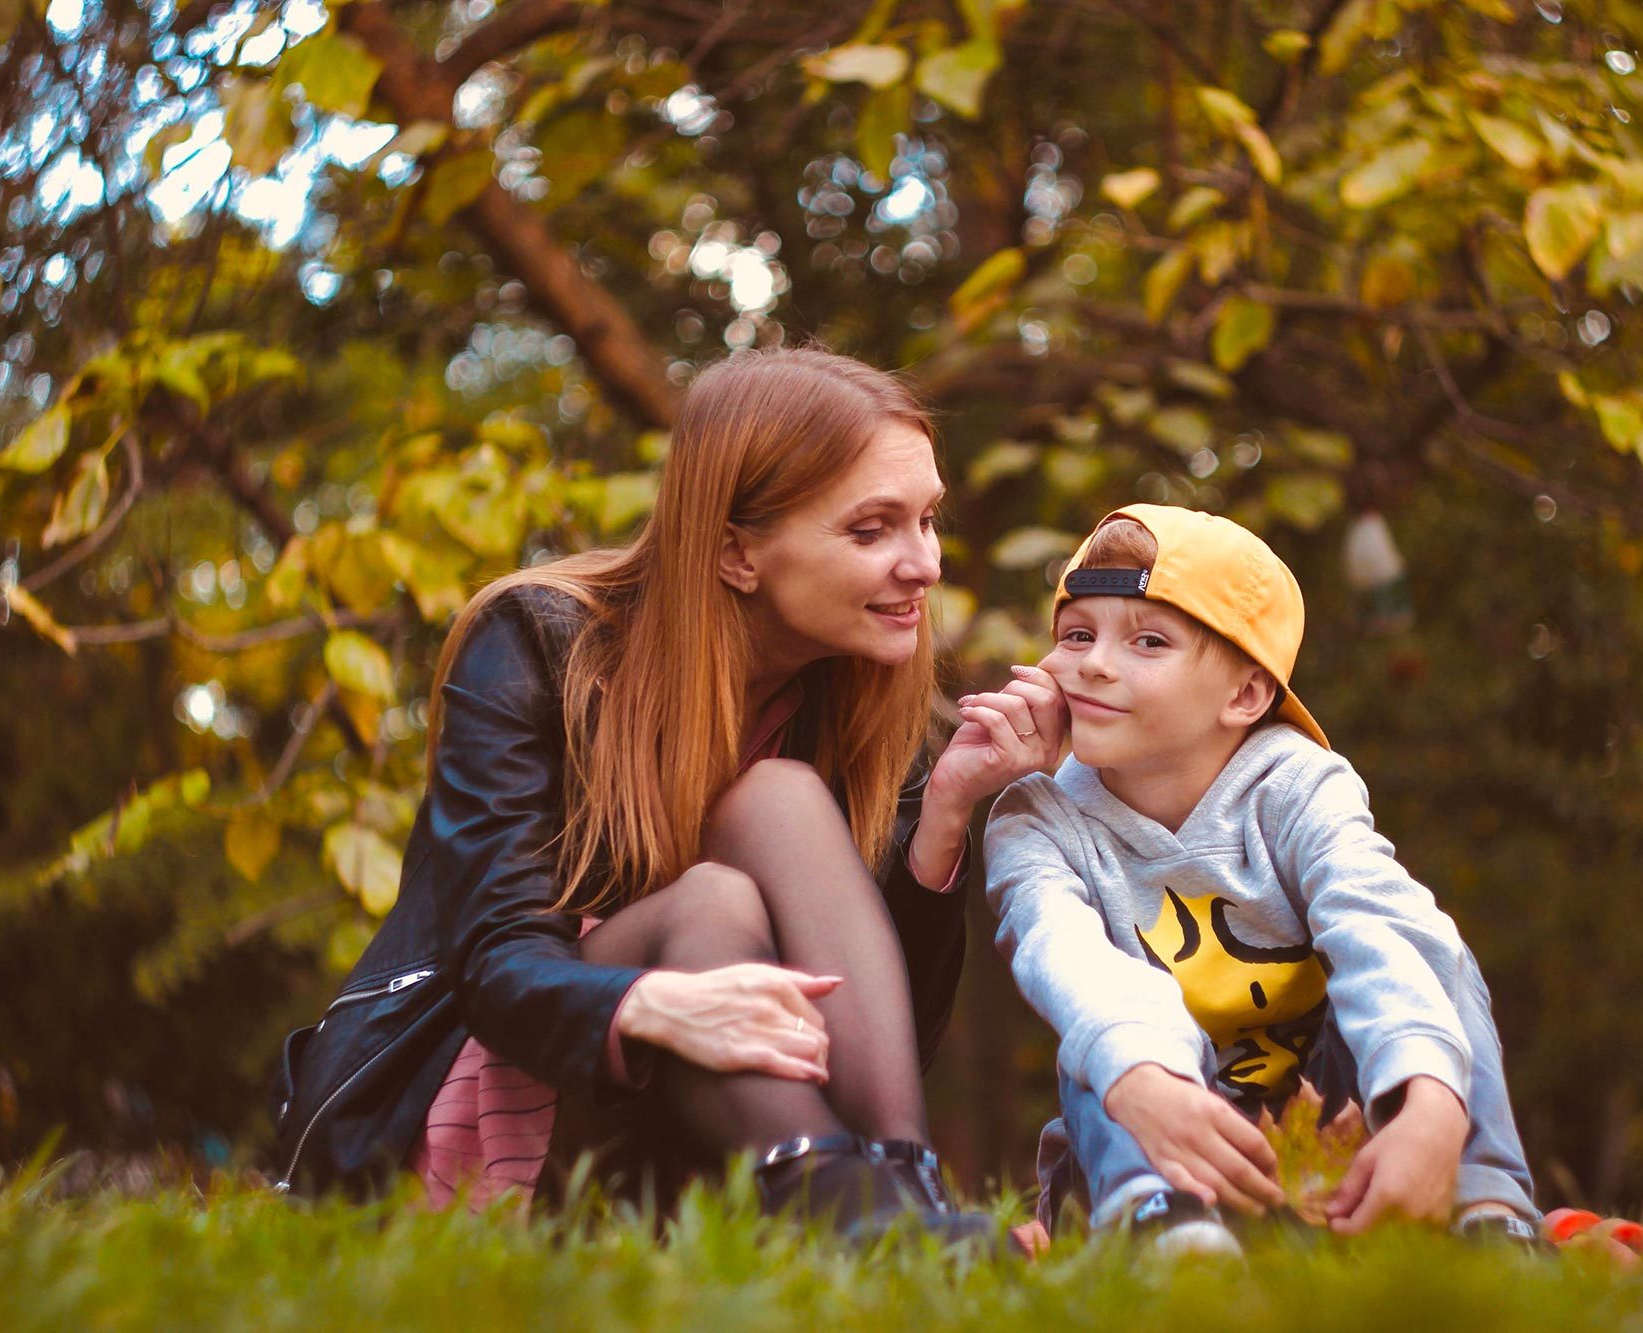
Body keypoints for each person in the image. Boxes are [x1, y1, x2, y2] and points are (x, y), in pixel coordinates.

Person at [272, 347, 1064, 1243]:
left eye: (927, 520)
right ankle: (881, 1224)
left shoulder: (861, 706)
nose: (923, 562)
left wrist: (945, 822)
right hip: (506, 1117)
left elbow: (872, 1053)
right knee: (717, 898)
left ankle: (893, 1212)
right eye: (872, 528)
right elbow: (496, 966)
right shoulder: (539, 641)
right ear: (735, 552)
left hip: (704, 1141)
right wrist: (650, 1002)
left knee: (778, 797)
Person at [985, 504, 1541, 1254]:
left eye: (1148, 640)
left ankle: (1487, 1205)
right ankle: (1164, 1225)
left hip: (1330, 1122)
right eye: (1076, 633)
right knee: (1106, 1034)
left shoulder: (1298, 788)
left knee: (1428, 957)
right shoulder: (1037, 816)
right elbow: (1062, 954)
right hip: (1148, 1129)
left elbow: (1375, 919)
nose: (1094, 663)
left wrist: (1433, 1097)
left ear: (1245, 695)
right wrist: (1145, 1080)